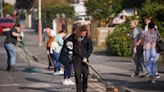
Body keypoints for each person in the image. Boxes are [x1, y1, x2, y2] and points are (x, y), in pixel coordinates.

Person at [67, 24, 93, 92]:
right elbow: (66, 41)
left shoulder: (88, 39)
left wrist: (86, 57)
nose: (84, 34)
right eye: (82, 32)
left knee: (85, 76)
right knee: (78, 76)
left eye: (85, 32)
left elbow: (90, 49)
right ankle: (78, 90)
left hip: (84, 60)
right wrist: (68, 44)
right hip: (76, 60)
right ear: (79, 32)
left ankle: (85, 89)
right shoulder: (74, 37)